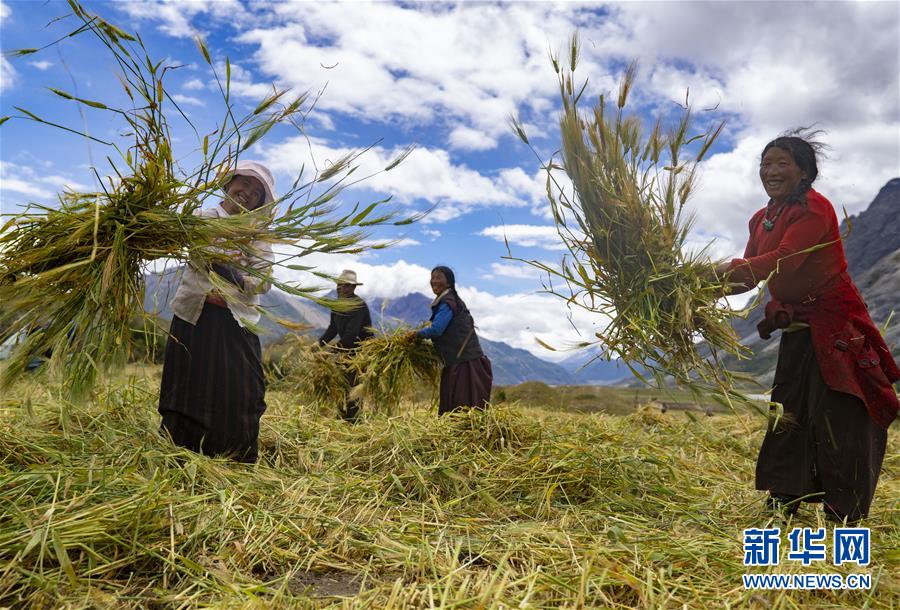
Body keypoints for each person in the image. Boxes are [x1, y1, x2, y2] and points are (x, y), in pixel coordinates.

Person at [718, 132, 899, 522]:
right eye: (766, 164)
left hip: (834, 327)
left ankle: (843, 512)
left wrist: (716, 271)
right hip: (798, 328)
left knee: (839, 413)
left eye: (782, 163)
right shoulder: (760, 219)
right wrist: (689, 289)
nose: (771, 171)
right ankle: (784, 500)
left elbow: (784, 260)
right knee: (789, 412)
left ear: (804, 172)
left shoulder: (815, 209)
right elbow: (749, 277)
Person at [158, 160, 276, 463]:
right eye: (244, 183)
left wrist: (232, 273)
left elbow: (263, 280)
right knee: (188, 382)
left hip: (235, 321)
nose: (247, 193)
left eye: (256, 191)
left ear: (261, 202)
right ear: (228, 183)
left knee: (245, 389)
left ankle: (233, 455)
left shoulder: (257, 233)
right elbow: (169, 239)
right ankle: (181, 451)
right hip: (195, 315)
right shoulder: (200, 218)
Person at [415, 266, 492, 415]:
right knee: (459, 408)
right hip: (459, 362)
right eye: (432, 277)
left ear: (449, 282)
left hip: (465, 364)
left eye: (439, 277)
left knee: (461, 408)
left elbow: (437, 329)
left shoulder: (447, 302)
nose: (434, 281)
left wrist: (416, 335)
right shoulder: (447, 300)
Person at [318, 269, 374, 421]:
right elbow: (332, 329)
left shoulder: (358, 305)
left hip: (360, 350)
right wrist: (318, 346)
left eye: (345, 285)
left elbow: (351, 334)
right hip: (345, 349)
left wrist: (330, 350)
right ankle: (343, 416)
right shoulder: (337, 305)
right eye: (339, 284)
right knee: (341, 383)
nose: (340, 288)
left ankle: (354, 419)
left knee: (354, 385)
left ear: (352, 288)